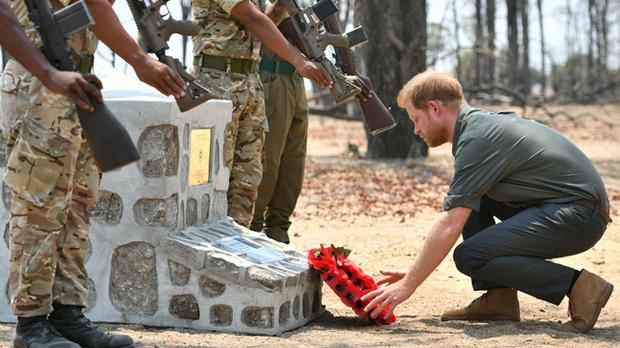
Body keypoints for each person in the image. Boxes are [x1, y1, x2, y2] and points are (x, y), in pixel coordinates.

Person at [361, 71, 613, 334]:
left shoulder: (477, 139)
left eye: (416, 119)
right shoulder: (477, 128)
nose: (416, 130)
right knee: (472, 198)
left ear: (434, 108)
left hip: (579, 215)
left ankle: (581, 287)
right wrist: (415, 271)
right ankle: (499, 298)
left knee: (469, 255)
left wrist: (409, 284)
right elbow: (460, 212)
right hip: (567, 209)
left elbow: (450, 223)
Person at [0, 0, 186, 347]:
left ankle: (67, 314)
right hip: (39, 81)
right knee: (39, 209)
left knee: (77, 206)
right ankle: (31, 324)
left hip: (75, 79)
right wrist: (139, 60)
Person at [191, 0, 332, 228]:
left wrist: (280, 5)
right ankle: (210, 249)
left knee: (247, 181)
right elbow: (251, 19)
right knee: (215, 176)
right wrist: (299, 60)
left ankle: (238, 248)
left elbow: (263, 25)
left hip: (249, 83)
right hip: (217, 82)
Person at [250, 14, 371, 244]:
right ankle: (253, 229)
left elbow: (309, 39)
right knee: (269, 160)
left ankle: (278, 231)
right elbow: (264, 23)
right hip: (270, 76)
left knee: (293, 162)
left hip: (296, 80)